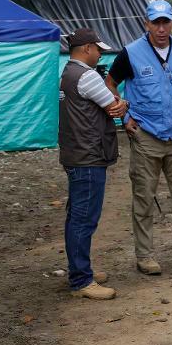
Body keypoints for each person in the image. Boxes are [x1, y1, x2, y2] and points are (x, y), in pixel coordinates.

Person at [106, 0, 172, 276]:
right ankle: (145, 256)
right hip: (145, 136)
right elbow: (110, 83)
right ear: (146, 24)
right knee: (144, 199)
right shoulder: (130, 53)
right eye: (156, 23)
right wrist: (123, 117)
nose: (161, 28)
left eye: (166, 22)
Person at [59, 28, 128, 300]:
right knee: (83, 219)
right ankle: (81, 280)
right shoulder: (87, 76)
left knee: (77, 216)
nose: (100, 54)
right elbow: (113, 105)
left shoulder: (68, 73)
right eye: (98, 49)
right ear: (86, 48)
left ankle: (80, 270)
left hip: (76, 153)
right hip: (88, 156)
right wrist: (123, 103)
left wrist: (119, 104)